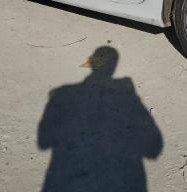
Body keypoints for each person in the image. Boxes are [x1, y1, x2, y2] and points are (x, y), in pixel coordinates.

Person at [38, 46, 162, 191]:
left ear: (92, 64)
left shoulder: (62, 94)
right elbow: (154, 148)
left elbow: (43, 142)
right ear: (114, 66)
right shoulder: (127, 97)